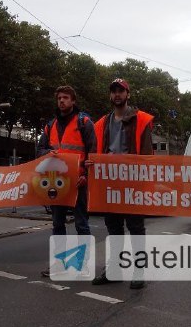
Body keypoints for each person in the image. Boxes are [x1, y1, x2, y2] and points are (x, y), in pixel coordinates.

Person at [92, 78, 154, 289]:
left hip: (133, 183)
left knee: (136, 228)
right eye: (114, 91)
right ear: (110, 95)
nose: (117, 94)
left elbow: (147, 155)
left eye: (121, 91)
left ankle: (139, 271)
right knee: (114, 228)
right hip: (110, 183)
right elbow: (96, 151)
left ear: (128, 94)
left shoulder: (142, 120)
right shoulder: (101, 123)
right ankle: (115, 270)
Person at [37, 85, 96, 277]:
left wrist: (85, 177)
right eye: (59, 98)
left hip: (78, 182)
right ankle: (59, 264)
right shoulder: (50, 125)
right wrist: (47, 152)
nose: (61, 101)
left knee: (82, 224)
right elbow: (40, 151)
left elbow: (93, 154)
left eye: (65, 98)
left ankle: (83, 265)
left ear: (73, 101)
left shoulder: (84, 122)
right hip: (57, 183)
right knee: (57, 224)